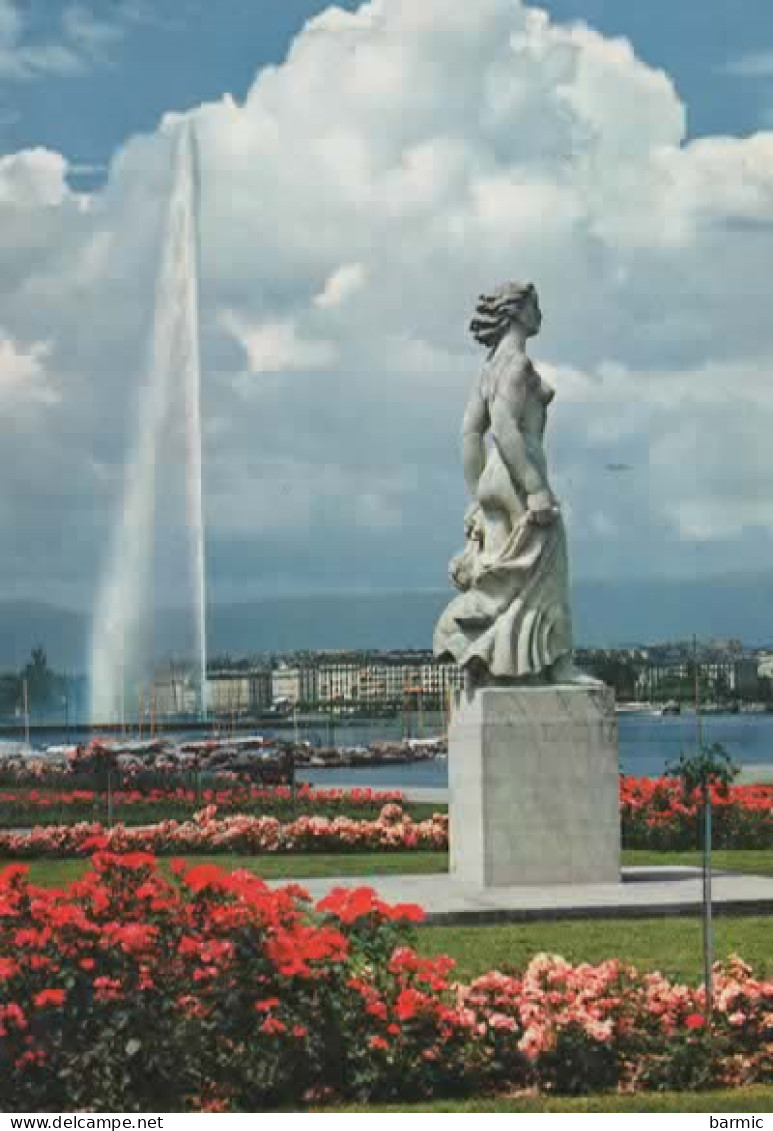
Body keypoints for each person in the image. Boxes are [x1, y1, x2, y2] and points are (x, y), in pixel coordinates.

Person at [434, 282, 593, 686]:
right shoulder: (518, 365)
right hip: (519, 473)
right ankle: (559, 667)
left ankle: (479, 661)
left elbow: (470, 434)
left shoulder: (489, 369)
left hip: (493, 478)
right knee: (546, 573)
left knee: (501, 580)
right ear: (517, 311)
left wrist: (478, 494)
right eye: (536, 305)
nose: (541, 313)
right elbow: (504, 427)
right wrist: (534, 486)